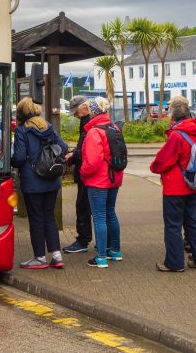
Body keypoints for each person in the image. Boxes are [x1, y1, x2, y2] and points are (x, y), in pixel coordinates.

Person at [149, 96, 196, 272]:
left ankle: (174, 263)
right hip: (192, 184)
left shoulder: (177, 135)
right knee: (193, 222)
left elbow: (163, 161)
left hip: (175, 187)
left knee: (173, 225)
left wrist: (154, 167)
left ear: (173, 116)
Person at [11, 96, 68, 269]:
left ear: (22, 113)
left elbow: (19, 158)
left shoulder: (22, 131)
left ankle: (40, 258)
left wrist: (13, 161)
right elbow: (63, 147)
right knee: (49, 216)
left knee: (36, 219)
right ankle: (57, 256)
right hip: (51, 179)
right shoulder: (48, 127)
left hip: (32, 181)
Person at [79, 97, 124, 268]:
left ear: (92, 112)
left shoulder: (94, 132)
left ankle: (101, 257)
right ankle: (115, 250)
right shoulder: (114, 127)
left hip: (99, 180)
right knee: (110, 213)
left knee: (99, 216)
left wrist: (83, 174)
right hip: (115, 177)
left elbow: (92, 161)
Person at [62, 95, 94, 254]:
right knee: (100, 210)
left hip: (87, 172)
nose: (75, 115)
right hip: (98, 174)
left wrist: (74, 155)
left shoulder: (88, 123)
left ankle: (83, 240)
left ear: (83, 107)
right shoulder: (93, 120)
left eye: (76, 111)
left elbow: (88, 149)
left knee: (83, 206)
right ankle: (107, 242)